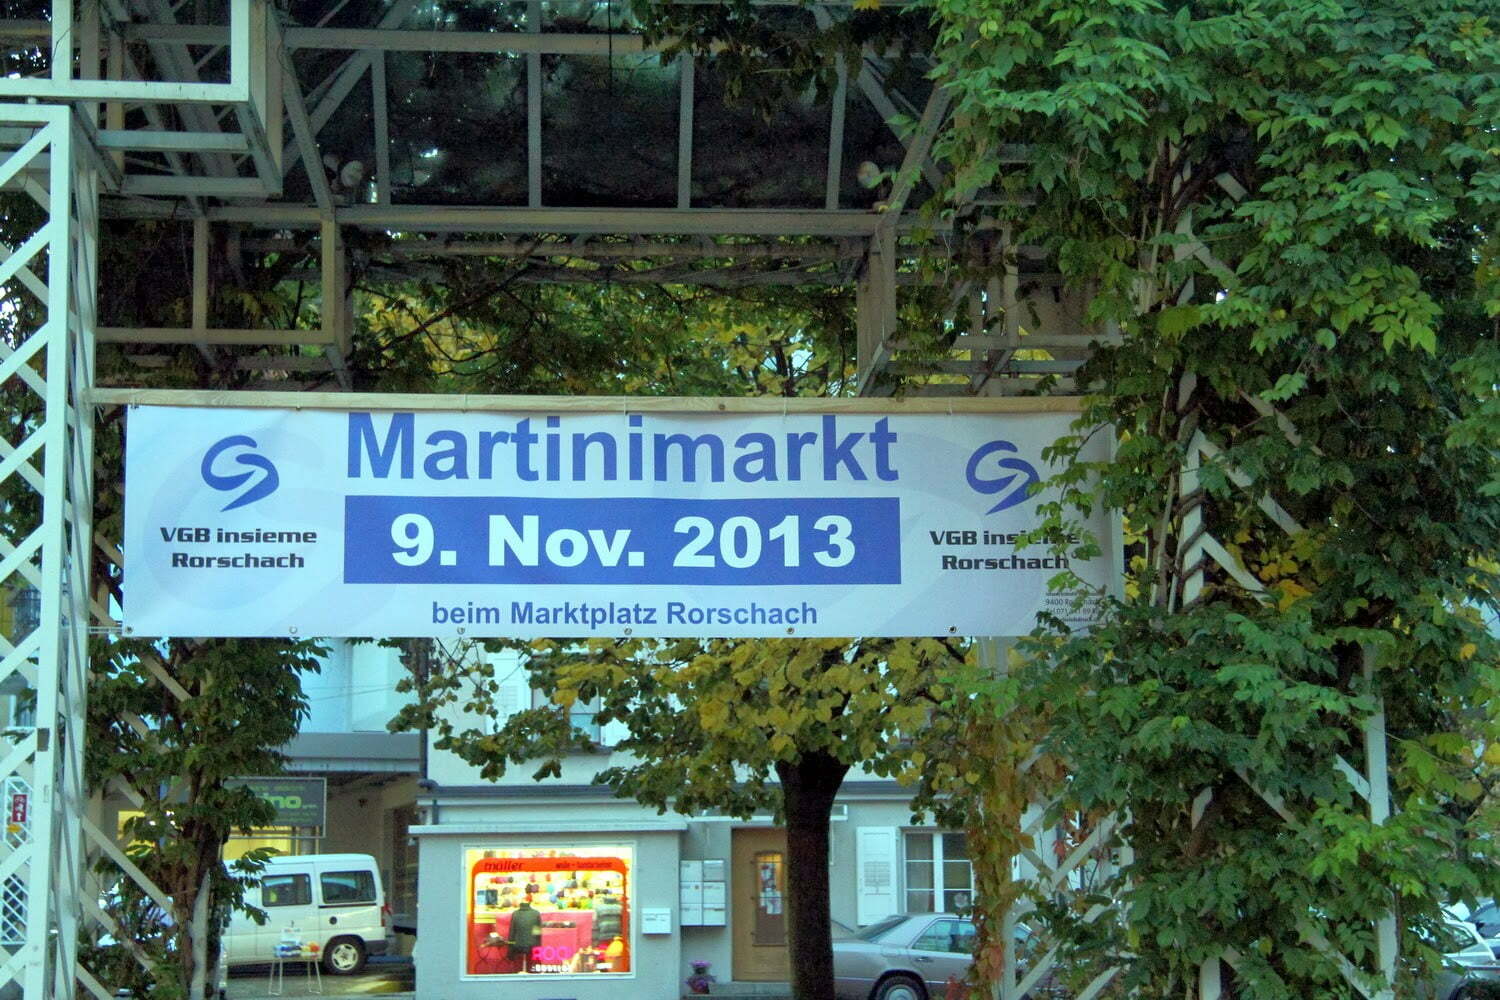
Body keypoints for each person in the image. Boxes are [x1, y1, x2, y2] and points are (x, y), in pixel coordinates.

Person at [508, 895, 543, 972]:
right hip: (532, 946)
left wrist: (510, 950)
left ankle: (518, 973)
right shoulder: (536, 914)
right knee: (532, 967)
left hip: (518, 946)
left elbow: (512, 933)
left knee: (517, 966)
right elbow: (538, 934)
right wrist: (538, 951)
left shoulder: (515, 914)